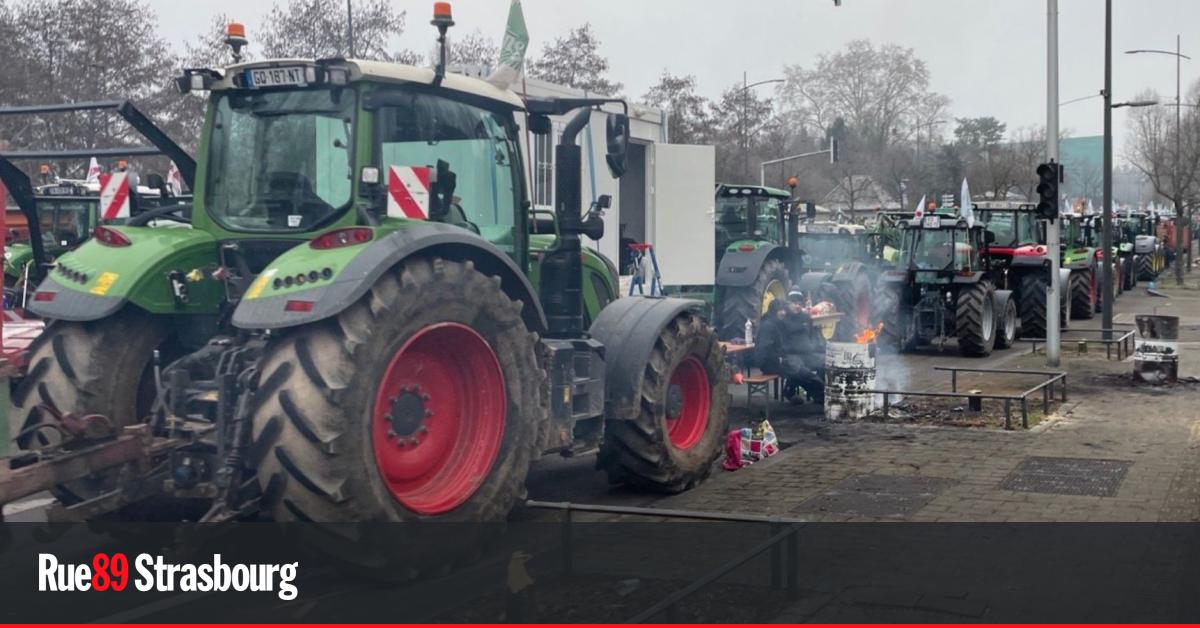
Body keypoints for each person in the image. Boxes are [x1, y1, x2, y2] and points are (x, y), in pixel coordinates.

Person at [754, 290, 827, 404]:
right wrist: (779, 358)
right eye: (780, 310)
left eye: (799, 303)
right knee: (802, 373)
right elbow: (764, 349)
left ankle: (821, 397)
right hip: (777, 361)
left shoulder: (785, 321)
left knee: (820, 366)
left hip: (794, 356)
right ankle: (823, 398)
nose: (782, 312)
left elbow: (813, 335)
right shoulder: (771, 325)